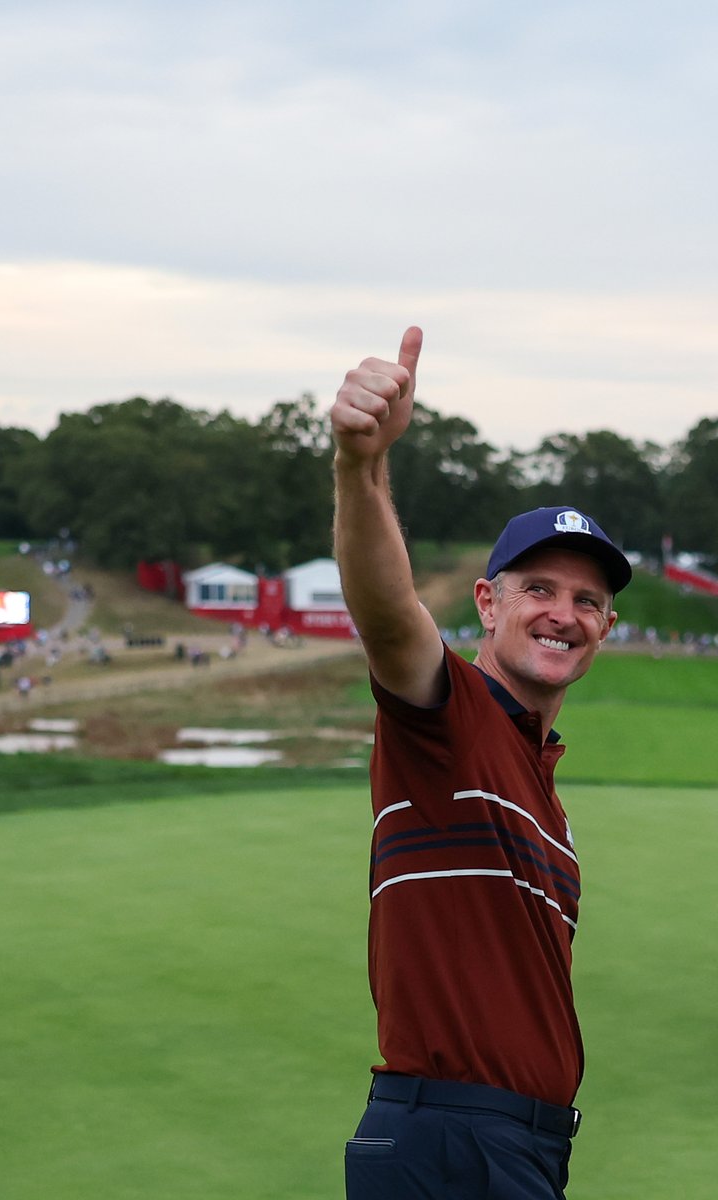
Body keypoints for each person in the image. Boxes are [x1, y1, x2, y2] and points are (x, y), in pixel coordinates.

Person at [331, 327, 632, 1200]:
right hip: (449, 1138)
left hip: (522, 1149)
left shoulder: (543, 785)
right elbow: (386, 611)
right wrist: (362, 466)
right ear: (488, 601)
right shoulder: (449, 714)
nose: (563, 614)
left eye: (587, 600)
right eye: (538, 589)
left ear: (606, 627)